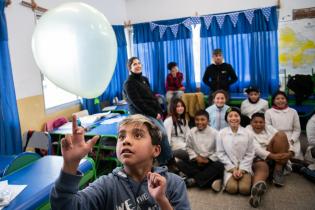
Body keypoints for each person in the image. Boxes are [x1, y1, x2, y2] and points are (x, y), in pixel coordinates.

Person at [50, 114, 191, 210]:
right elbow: (66, 206)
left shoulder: (174, 184)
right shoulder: (106, 185)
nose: (126, 141)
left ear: (155, 150)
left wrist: (161, 200)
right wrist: (70, 165)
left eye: (137, 135)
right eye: (121, 136)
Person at [123, 57, 172, 165]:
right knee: (162, 134)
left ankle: (167, 158)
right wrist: (154, 114)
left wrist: (159, 111)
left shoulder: (144, 79)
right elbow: (138, 103)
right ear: (130, 68)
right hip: (140, 114)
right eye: (134, 64)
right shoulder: (129, 83)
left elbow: (151, 97)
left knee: (164, 134)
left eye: (139, 63)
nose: (138, 65)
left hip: (151, 112)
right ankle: (166, 162)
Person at [246, 113, 294, 207]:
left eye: (261, 122)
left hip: (275, 154)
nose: (258, 124)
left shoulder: (269, 128)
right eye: (255, 122)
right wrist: (272, 156)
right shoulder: (247, 130)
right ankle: (256, 191)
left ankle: (278, 170)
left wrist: (291, 152)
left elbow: (286, 141)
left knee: (281, 135)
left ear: (265, 122)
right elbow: (256, 149)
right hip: (259, 157)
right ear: (251, 122)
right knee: (262, 168)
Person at [177, 110, 224, 192]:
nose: (199, 122)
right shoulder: (192, 132)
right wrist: (196, 157)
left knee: (220, 165)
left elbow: (219, 151)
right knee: (180, 163)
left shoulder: (215, 133)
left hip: (209, 162)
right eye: (197, 120)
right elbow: (188, 147)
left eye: (203, 119)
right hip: (196, 161)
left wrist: (208, 160)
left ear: (208, 121)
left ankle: (193, 180)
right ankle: (208, 180)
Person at [216, 107, 255, 195]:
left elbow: (250, 153)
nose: (233, 118)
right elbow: (220, 153)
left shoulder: (248, 133)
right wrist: (233, 169)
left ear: (240, 118)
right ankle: (221, 180)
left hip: (244, 167)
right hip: (229, 167)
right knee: (232, 189)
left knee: (244, 190)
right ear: (227, 119)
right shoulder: (221, 133)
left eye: (236, 116)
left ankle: (249, 178)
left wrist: (241, 169)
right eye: (230, 116)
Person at [265, 91, 302, 160]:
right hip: (274, 135)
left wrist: (292, 140)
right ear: (273, 101)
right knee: (278, 156)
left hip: (291, 137)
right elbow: (268, 126)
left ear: (286, 100)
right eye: (277, 99)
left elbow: (297, 129)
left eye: (283, 98)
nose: (280, 100)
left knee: (294, 157)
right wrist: (280, 136)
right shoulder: (268, 112)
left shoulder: (293, 111)